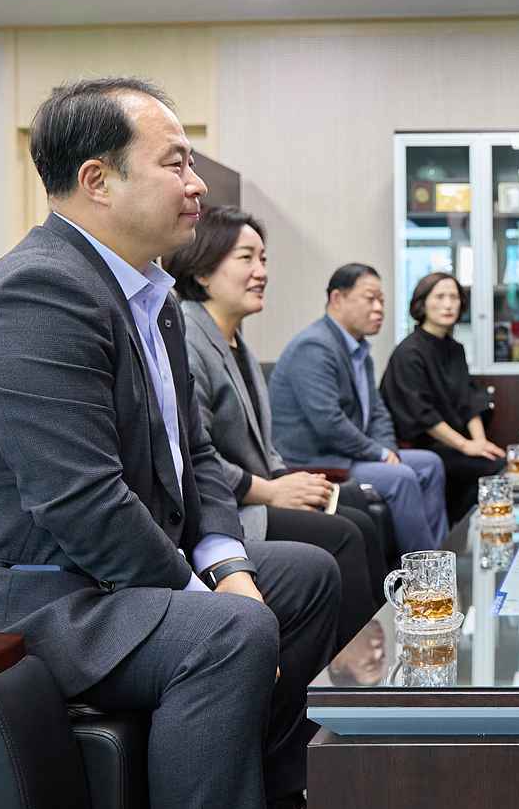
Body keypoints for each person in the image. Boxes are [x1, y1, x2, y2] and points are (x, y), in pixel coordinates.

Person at [0, 77, 339, 809]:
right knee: (229, 633)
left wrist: (232, 568)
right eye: (175, 163)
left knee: (304, 577)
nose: (197, 184)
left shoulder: (153, 295)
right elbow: (82, 505)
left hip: (99, 575)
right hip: (23, 598)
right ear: (97, 181)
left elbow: (193, 457)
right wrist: (212, 602)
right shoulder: (38, 290)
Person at [165, 206, 384, 647]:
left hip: (260, 490)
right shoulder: (189, 335)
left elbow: (264, 447)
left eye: (263, 259)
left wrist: (289, 479)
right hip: (227, 508)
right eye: (246, 258)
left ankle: (378, 649)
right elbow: (194, 455)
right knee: (344, 533)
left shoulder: (234, 339)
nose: (261, 271)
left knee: (365, 509)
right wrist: (272, 490)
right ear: (204, 271)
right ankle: (352, 672)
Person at [269, 264, 449, 554]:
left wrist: (387, 451)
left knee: (430, 464)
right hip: (316, 459)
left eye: (382, 300)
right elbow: (329, 423)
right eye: (370, 298)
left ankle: (439, 553)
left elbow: (377, 412)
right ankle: (427, 573)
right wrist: (379, 455)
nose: (379, 308)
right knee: (400, 477)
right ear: (337, 299)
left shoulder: (360, 349)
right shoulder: (314, 346)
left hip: (349, 454)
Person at [380, 272, 506, 517]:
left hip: (452, 443)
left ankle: (465, 534)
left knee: (498, 463)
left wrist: (479, 442)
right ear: (422, 303)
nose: (448, 304)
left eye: (454, 297)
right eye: (439, 296)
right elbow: (421, 413)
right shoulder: (408, 352)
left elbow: (469, 399)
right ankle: (457, 539)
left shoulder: (455, 349)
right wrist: (466, 446)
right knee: (494, 468)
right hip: (420, 446)